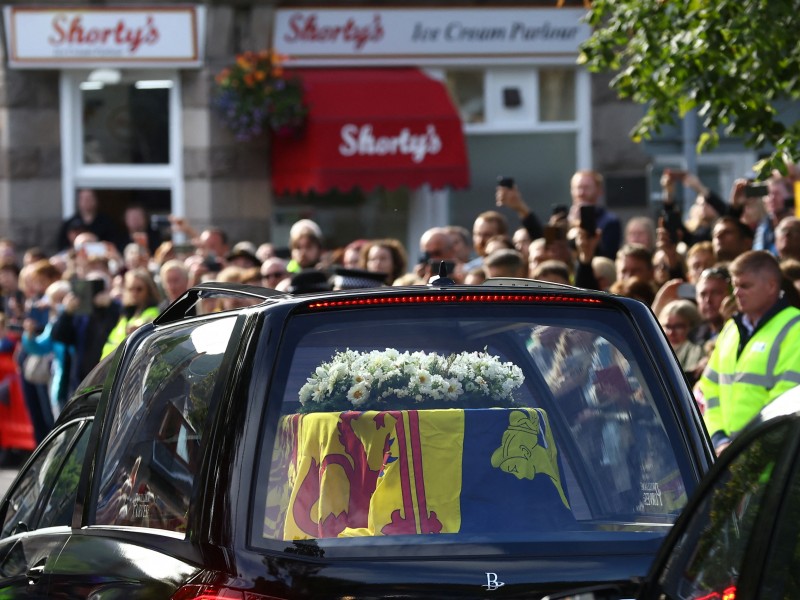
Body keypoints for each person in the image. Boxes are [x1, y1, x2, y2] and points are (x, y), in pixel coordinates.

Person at [698, 250, 800, 455]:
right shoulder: (730, 329)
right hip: (730, 457)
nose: (736, 293)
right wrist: (719, 439)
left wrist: (742, 448)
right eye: (735, 286)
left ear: (771, 286)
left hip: (773, 458)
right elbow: (709, 388)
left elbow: (786, 399)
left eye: (745, 286)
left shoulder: (795, 328)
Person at [101, 268, 161, 359]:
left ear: (149, 290)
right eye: (130, 289)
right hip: (109, 367)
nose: (134, 293)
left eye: (139, 289)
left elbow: (150, 322)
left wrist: (142, 329)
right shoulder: (125, 314)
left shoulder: (153, 311)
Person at [567, 170, 621, 259]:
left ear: (599, 191)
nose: (581, 193)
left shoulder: (609, 222)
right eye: (577, 188)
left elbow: (607, 256)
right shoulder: (565, 220)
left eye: (586, 188)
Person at [56, 188, 120, 251]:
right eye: (83, 198)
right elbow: (62, 247)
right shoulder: (69, 224)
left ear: (95, 200)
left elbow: (113, 246)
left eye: (89, 198)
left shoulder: (106, 223)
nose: (86, 201)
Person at [658, 299, 705, 385]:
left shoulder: (697, 350)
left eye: (678, 326)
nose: (672, 333)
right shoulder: (658, 350)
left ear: (693, 327)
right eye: (667, 327)